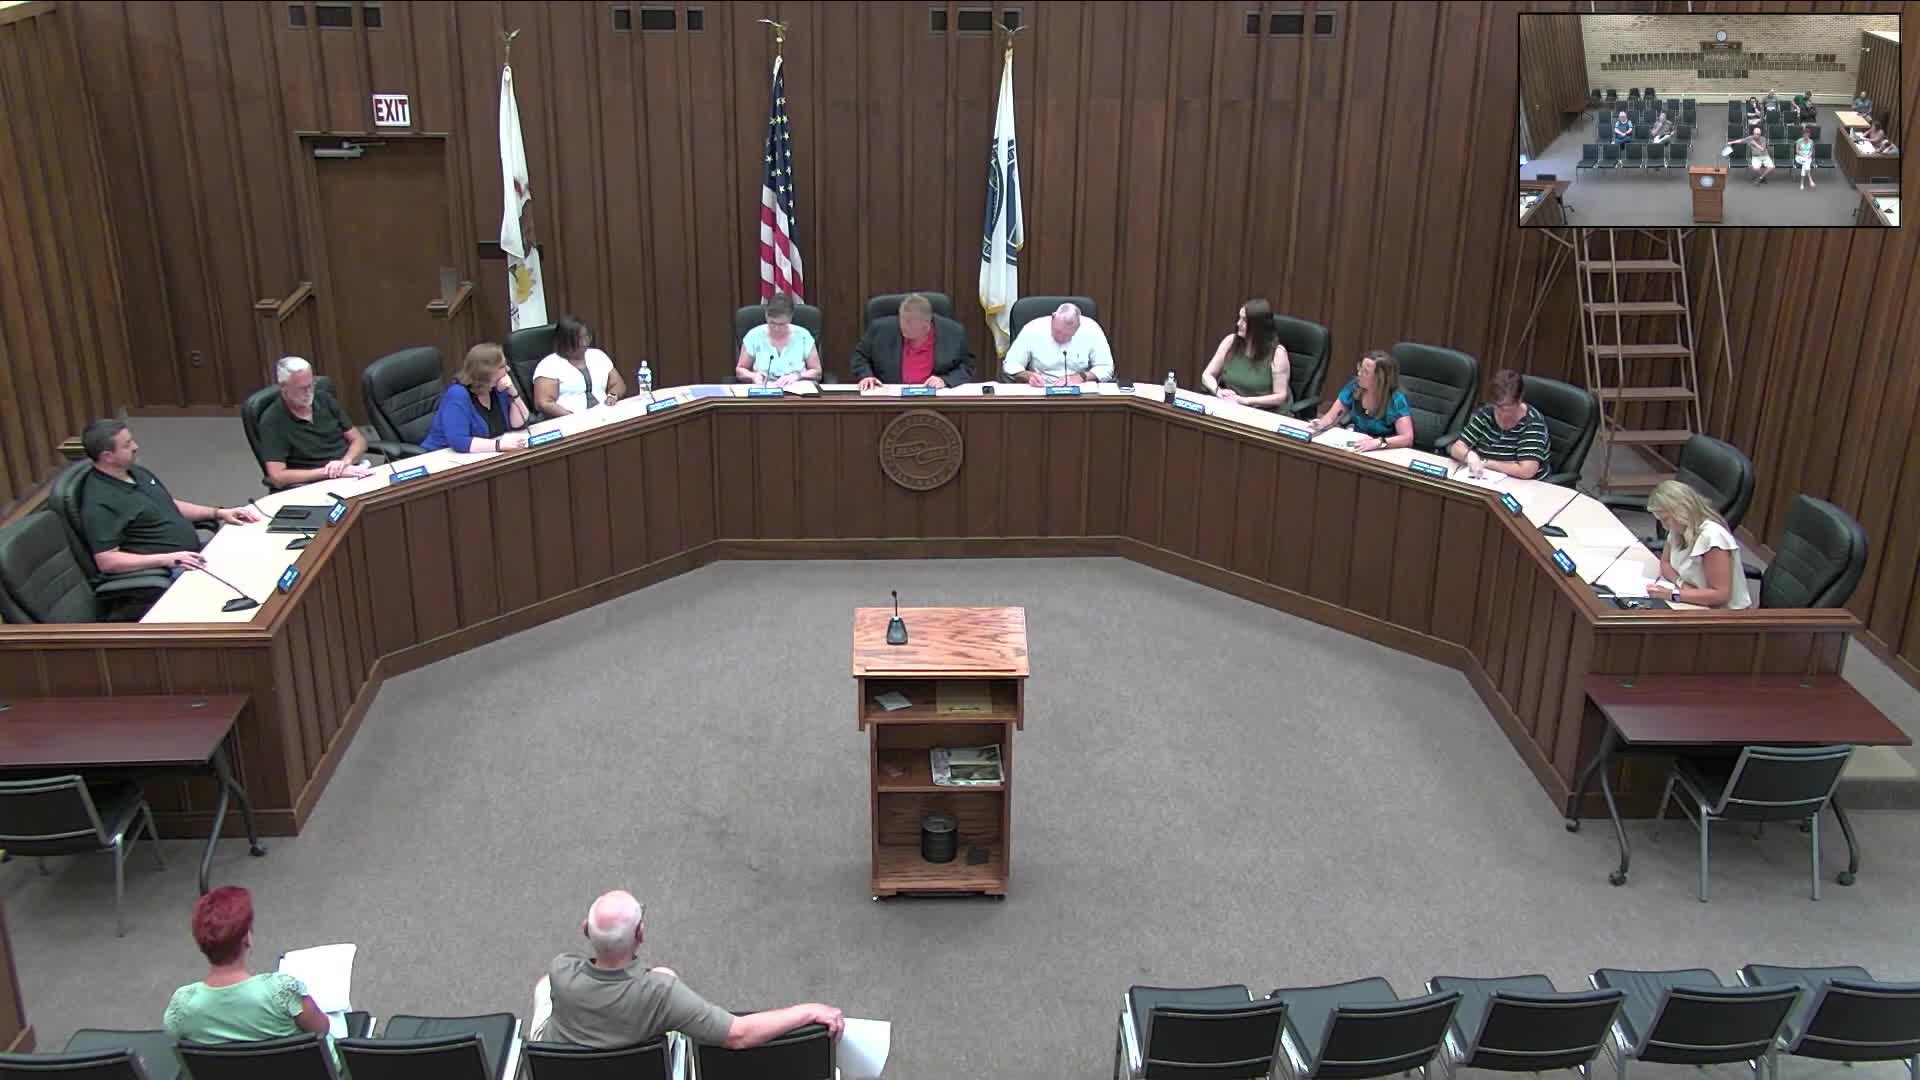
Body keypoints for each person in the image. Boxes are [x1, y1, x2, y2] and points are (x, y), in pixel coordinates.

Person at [537, 890, 845, 1050]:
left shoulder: (561, 970)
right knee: (666, 976)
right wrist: (807, 1011)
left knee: (543, 987)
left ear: (586, 930)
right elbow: (738, 1034)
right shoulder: (661, 992)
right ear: (640, 934)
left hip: (567, 1062)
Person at [79, 419, 261, 577]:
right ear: (107, 456)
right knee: (243, 576)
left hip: (192, 554)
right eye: (127, 445)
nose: (135, 447)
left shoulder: (134, 472)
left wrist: (219, 513)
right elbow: (107, 561)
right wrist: (168, 559)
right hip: (170, 569)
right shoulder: (99, 502)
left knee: (254, 550)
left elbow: (167, 504)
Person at [164, 887, 334, 1054]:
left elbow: (174, 1036)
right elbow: (321, 1029)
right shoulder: (283, 992)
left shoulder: (182, 1006)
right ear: (246, 938)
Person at [257, 357, 373, 488]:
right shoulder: (272, 421)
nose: (309, 392)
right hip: (314, 484)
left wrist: (345, 462)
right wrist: (329, 472)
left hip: (350, 472)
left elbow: (359, 441)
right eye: (302, 388)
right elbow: (277, 476)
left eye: (311, 385)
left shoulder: (324, 399)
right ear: (284, 387)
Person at [1644, 480, 1753, 609]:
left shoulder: (1712, 538)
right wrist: (1682, 585)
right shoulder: (1678, 529)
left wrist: (1672, 594)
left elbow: (1720, 596)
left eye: (1665, 519)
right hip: (1694, 603)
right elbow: (1665, 564)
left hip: (1723, 613)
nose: (1664, 526)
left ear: (1681, 510)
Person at [1441, 369, 1550, 480]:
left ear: (1519, 399)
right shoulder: (1487, 413)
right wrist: (1470, 456)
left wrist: (1488, 463)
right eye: (1496, 406)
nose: (1499, 412)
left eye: (1505, 408)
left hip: (1524, 484)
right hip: (1486, 479)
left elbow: (1526, 471)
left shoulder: (1532, 423)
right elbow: (1456, 448)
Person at [422, 343, 531, 453]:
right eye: (502, 366)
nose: (508, 369)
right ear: (486, 372)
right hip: (441, 457)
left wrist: (513, 391)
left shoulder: (498, 388)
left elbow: (518, 423)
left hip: (485, 455)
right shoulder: (457, 394)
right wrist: (499, 445)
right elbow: (459, 441)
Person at [850, 293, 974, 390]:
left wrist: (945, 381)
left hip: (935, 400)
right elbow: (860, 355)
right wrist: (866, 375)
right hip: (890, 400)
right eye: (902, 319)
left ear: (926, 326)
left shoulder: (953, 333)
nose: (903, 325)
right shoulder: (880, 330)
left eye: (910, 322)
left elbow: (968, 366)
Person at [1306, 350, 1413, 453]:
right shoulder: (1354, 386)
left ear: (1380, 378)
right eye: (1360, 368)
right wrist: (1321, 423)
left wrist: (1379, 442)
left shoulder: (1396, 399)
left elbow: (1407, 438)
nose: (1359, 373)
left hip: (1384, 450)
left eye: (1365, 372)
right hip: (1357, 443)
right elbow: (1331, 417)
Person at [1199, 299, 1290, 411]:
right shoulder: (1230, 342)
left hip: (1264, 411)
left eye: (1244, 320)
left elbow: (1280, 396)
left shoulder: (1278, 354)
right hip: (1232, 406)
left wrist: (1245, 401)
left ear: (1258, 325)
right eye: (1239, 318)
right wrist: (1217, 391)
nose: (1238, 323)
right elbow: (1207, 375)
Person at [534, 315, 627, 418]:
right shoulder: (549, 365)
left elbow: (618, 384)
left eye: (586, 337)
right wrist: (574, 419)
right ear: (565, 341)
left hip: (604, 416)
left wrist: (612, 396)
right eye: (578, 339)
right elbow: (544, 403)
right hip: (569, 421)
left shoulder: (598, 355)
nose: (584, 343)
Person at [1001, 302, 1114, 386]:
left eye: (1066, 335)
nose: (1060, 338)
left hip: (1079, 390)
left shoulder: (1091, 329)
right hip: (1040, 389)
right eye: (1056, 332)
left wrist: (1082, 377)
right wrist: (1028, 376)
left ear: (1078, 328)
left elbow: (1106, 368)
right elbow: (1011, 364)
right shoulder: (1033, 328)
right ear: (1052, 318)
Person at [734, 293, 823, 386]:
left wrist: (798, 376)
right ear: (766, 316)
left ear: (790, 318)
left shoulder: (803, 336)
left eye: (781, 324)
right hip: (764, 389)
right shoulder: (754, 335)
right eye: (772, 323)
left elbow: (817, 372)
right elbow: (740, 370)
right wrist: (753, 376)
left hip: (796, 388)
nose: (776, 328)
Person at [1793, 126, 1817, 190]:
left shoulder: (1811, 141)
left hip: (1808, 157)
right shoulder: (1799, 141)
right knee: (1806, 162)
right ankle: (1810, 179)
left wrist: (1809, 155)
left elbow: (1811, 151)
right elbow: (1797, 151)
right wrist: (1803, 155)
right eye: (1805, 134)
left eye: (1807, 134)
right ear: (1803, 134)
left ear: (1809, 134)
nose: (1806, 135)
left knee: (1805, 165)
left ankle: (1802, 183)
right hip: (1799, 157)